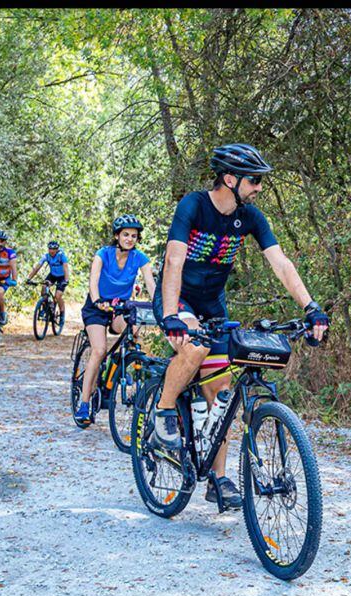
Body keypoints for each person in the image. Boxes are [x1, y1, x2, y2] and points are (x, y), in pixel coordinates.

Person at [151, 144, 329, 509]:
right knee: (195, 347)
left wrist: (310, 307)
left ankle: (217, 479)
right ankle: (164, 412)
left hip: (213, 303)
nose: (259, 187)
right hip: (178, 298)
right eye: (254, 181)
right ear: (230, 179)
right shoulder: (194, 205)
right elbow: (173, 260)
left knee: (221, 394)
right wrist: (171, 315)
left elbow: (280, 263)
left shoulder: (249, 217)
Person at [74, 215, 156, 424]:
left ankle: (123, 366)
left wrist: (160, 305)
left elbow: (151, 284)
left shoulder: (139, 258)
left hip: (120, 307)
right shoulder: (103, 254)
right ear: (117, 236)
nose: (130, 239)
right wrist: (98, 300)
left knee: (134, 330)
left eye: (134, 236)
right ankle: (84, 404)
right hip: (97, 307)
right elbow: (93, 280)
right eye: (126, 235)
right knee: (99, 350)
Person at [25, 240, 70, 324]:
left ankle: (62, 315)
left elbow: (65, 268)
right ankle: (45, 308)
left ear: (57, 249)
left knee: (58, 296)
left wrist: (66, 280)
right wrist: (29, 278)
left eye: (54, 249)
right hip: (52, 275)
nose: (52, 251)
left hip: (62, 277)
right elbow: (37, 267)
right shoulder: (46, 256)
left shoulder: (61, 256)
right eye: (50, 249)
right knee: (44, 287)